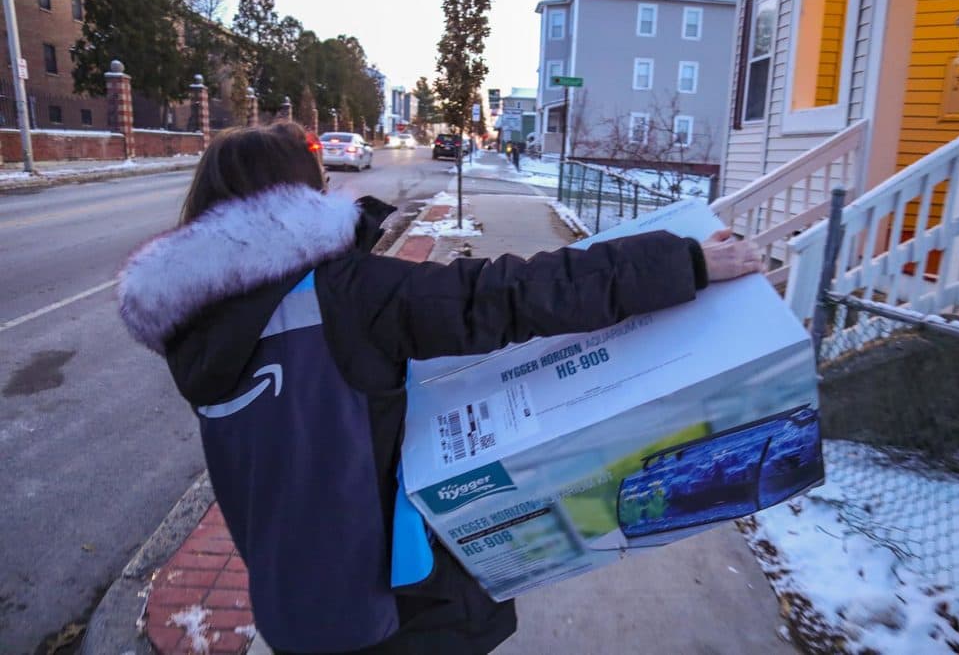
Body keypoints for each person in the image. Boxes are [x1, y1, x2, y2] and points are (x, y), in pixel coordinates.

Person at [117, 122, 760, 655]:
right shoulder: (344, 297)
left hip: (289, 604)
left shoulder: (193, 326)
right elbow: (514, 293)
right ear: (300, 199)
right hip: (392, 604)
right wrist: (686, 261)